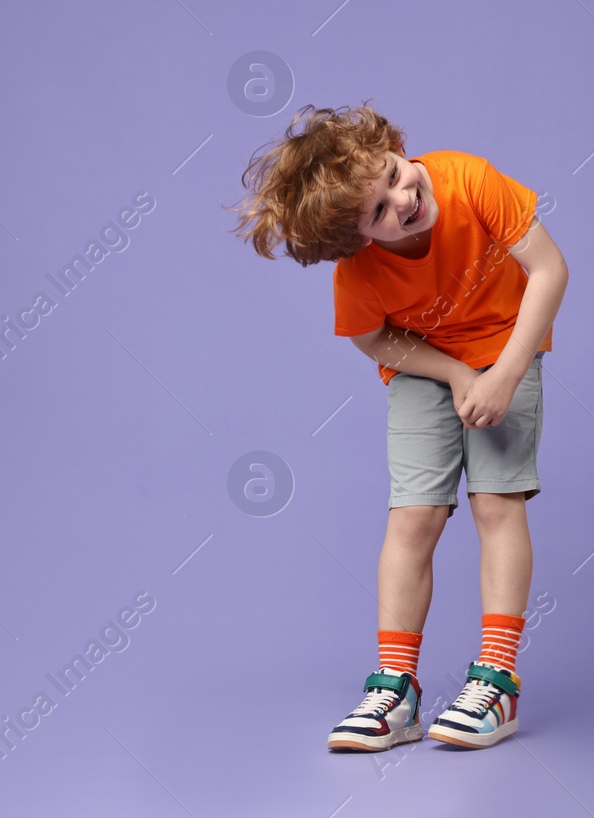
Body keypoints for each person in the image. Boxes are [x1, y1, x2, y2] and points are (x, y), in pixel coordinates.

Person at [226, 101, 568, 751]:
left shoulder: (469, 180)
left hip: (507, 345)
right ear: (355, 241)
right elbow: (375, 341)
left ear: (395, 145)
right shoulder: (360, 272)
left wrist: (503, 372)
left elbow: (550, 270)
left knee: (497, 503)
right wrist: (454, 374)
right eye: (378, 211)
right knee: (412, 517)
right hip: (425, 361)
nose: (403, 197)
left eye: (392, 173)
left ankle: (497, 681)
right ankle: (396, 690)